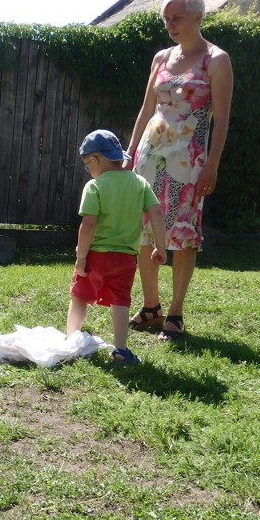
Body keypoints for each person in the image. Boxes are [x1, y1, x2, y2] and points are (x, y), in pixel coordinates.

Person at [126, 0, 233, 341]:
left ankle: (175, 313)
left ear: (198, 17)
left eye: (177, 17)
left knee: (183, 233)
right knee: (144, 228)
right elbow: (146, 109)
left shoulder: (216, 59)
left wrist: (212, 164)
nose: (170, 24)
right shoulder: (160, 58)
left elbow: (222, 118)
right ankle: (151, 306)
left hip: (189, 159)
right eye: (166, 19)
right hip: (150, 154)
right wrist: (130, 152)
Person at [67, 130, 167, 365]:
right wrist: (160, 246)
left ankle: (70, 340)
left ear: (95, 160)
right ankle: (121, 349)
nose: (87, 170)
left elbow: (88, 224)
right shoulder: (139, 183)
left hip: (96, 256)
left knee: (80, 296)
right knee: (121, 301)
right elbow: (156, 212)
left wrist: (81, 257)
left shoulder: (95, 186)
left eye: (86, 165)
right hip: (125, 258)